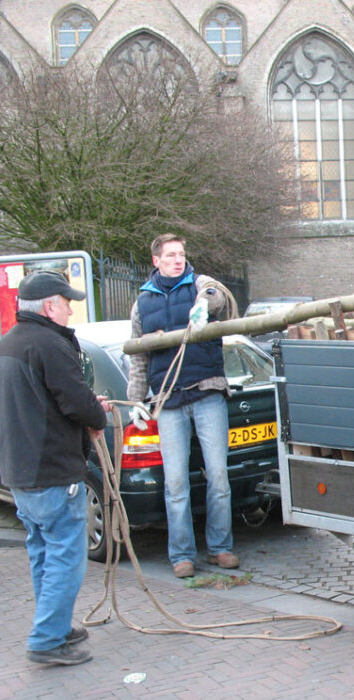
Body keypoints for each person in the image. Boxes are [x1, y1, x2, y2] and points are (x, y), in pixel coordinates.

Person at [0, 270, 111, 666]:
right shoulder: (49, 344)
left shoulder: (9, 343)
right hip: (51, 469)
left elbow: (46, 397)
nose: (70, 310)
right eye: (67, 303)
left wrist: (85, 406)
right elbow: (75, 401)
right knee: (65, 556)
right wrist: (97, 413)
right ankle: (46, 639)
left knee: (42, 552)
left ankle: (54, 626)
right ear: (49, 306)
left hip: (19, 469)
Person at [127, 234, 238, 579]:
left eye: (181, 254)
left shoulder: (200, 284)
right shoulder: (142, 302)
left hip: (206, 392)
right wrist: (135, 400)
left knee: (218, 475)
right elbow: (139, 358)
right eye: (171, 255)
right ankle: (182, 554)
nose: (178, 259)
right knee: (175, 483)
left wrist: (205, 304)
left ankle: (220, 548)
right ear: (156, 260)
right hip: (169, 400)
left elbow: (219, 296)